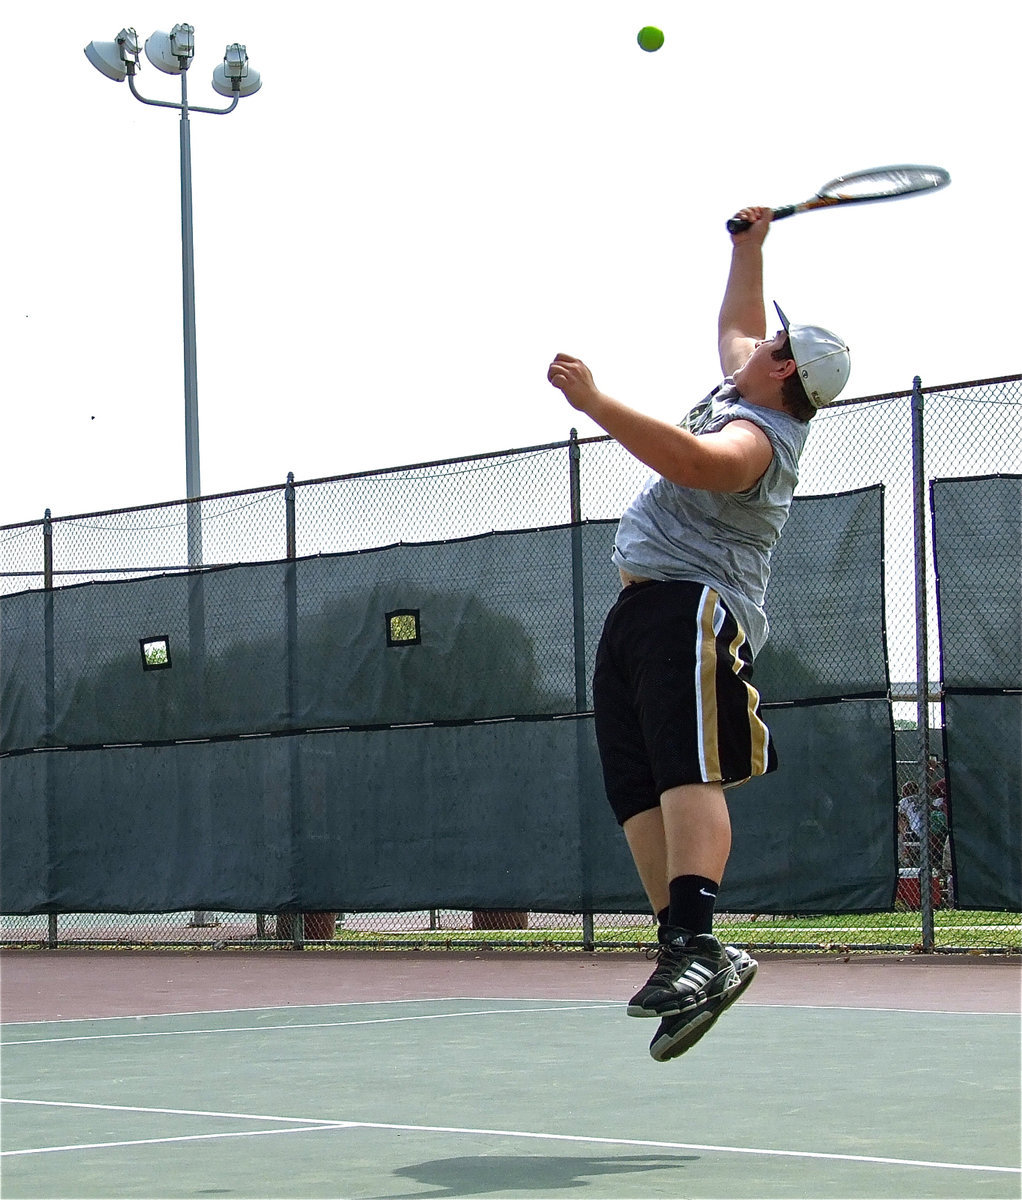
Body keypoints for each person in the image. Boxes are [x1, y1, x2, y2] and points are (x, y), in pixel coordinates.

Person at [546, 206, 850, 1062]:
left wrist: (597, 402)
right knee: (634, 790)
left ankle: (699, 943)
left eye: (774, 343)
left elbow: (693, 463)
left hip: (695, 606)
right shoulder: (748, 385)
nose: (757, 342)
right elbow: (738, 324)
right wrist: (750, 248)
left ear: (785, 368)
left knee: (687, 769)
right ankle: (685, 948)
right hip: (642, 609)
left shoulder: (760, 436)